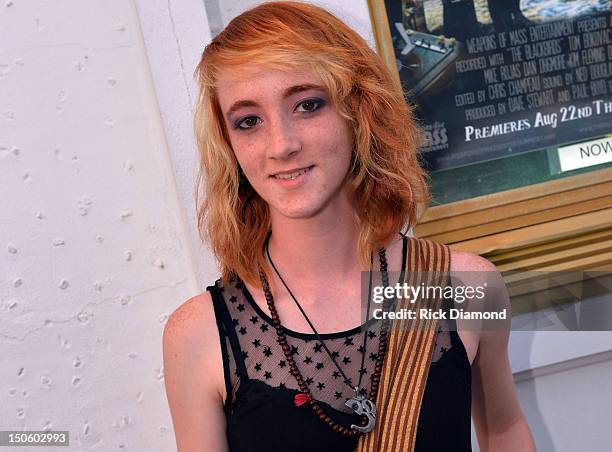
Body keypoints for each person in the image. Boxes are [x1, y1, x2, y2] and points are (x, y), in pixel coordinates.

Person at [162, 2, 535, 451]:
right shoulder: (197, 335)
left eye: (307, 105)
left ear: (359, 110)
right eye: (248, 121)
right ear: (228, 144)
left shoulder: (470, 287)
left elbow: (503, 430)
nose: (281, 145)